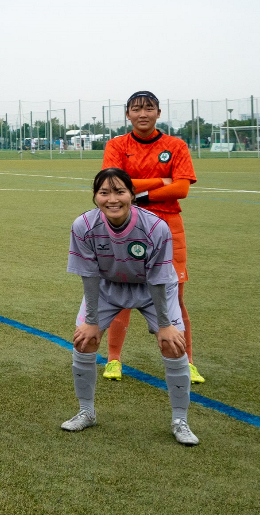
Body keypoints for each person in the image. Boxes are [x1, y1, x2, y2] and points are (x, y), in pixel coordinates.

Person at [61, 167, 197, 446]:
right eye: (104, 192)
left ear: (133, 195)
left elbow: (159, 278)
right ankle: (86, 412)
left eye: (120, 191)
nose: (112, 199)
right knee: (84, 341)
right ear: (95, 196)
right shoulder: (83, 226)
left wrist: (164, 325)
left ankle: (180, 420)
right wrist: (91, 320)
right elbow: (89, 275)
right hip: (108, 288)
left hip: (152, 289)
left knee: (173, 344)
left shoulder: (156, 227)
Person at [100, 91, 201, 383]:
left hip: (168, 225)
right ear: (127, 114)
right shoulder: (117, 145)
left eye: (149, 108)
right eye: (136, 109)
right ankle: (114, 359)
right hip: (125, 223)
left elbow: (181, 188)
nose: (142, 113)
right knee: (122, 293)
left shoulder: (176, 145)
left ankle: (188, 360)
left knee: (175, 295)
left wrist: (136, 195)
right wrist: (161, 181)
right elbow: (113, 182)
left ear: (158, 113)